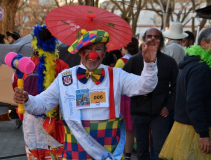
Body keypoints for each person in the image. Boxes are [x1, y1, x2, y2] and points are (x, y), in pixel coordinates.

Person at [13, 28, 159, 159]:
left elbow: (144, 86)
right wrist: (27, 99)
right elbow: (43, 103)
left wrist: (150, 65)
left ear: (105, 52)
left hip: (107, 150)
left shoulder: (116, 75)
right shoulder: (65, 78)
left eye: (98, 48)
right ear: (79, 51)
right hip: (76, 149)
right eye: (87, 49)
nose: (92, 54)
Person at [12, 25, 69, 160]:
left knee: (35, 154)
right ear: (54, 42)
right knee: (55, 154)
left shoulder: (23, 64)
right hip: (53, 119)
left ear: (35, 42)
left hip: (30, 119)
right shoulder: (62, 66)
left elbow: (16, 89)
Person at [159, 28, 211, 160]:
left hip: (189, 128)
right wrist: (203, 134)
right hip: (195, 132)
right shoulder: (201, 68)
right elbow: (194, 102)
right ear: (203, 44)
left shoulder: (193, 64)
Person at [123, 28, 178, 160]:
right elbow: (123, 82)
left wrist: (169, 107)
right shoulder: (134, 61)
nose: (152, 39)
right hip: (139, 111)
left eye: (156, 37)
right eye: (149, 36)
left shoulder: (169, 62)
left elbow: (177, 87)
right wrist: (137, 90)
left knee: (161, 150)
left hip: (160, 112)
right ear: (144, 39)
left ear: (162, 41)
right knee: (142, 150)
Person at [115, 37, 139, 160]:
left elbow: (115, 81)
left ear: (125, 48)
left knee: (121, 127)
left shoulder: (121, 61)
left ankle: (120, 154)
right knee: (131, 129)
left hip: (123, 98)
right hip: (136, 96)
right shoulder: (140, 60)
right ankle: (129, 155)